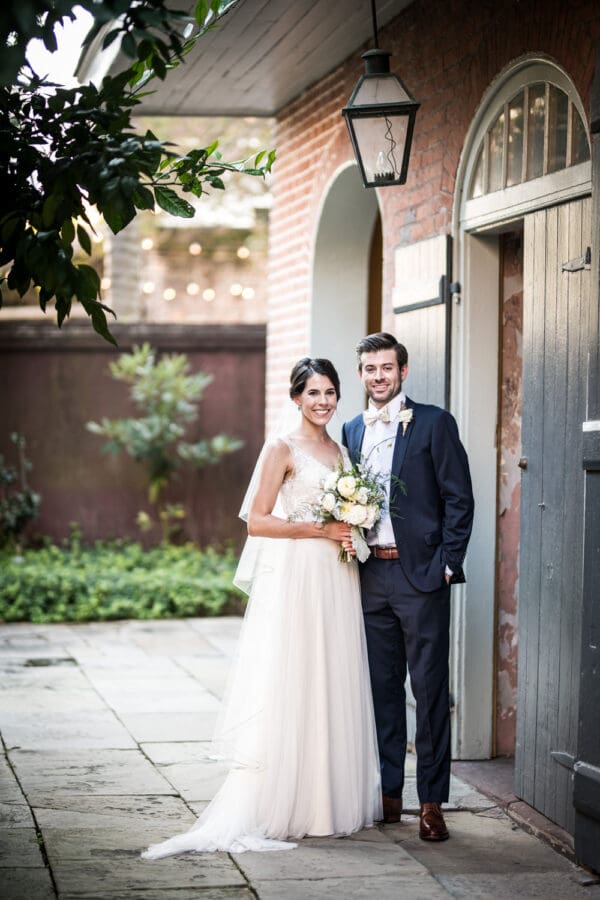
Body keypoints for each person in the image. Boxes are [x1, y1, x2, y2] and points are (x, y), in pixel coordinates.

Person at [142, 357, 381, 858]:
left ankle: (326, 804)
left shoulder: (340, 450)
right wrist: (320, 529)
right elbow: (257, 521)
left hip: (336, 576)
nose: (323, 402)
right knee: (294, 677)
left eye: (331, 392)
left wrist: (351, 527)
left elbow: (344, 515)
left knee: (330, 678)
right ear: (295, 398)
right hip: (298, 576)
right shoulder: (281, 447)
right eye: (313, 393)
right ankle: (285, 802)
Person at [342, 332, 474, 842]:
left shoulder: (436, 423)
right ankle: (389, 795)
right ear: (361, 375)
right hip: (370, 576)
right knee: (381, 691)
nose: (378, 376)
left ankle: (432, 803)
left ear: (403, 370)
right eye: (370, 369)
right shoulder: (352, 429)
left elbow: (459, 499)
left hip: (421, 578)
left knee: (430, 691)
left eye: (386, 368)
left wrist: (448, 564)